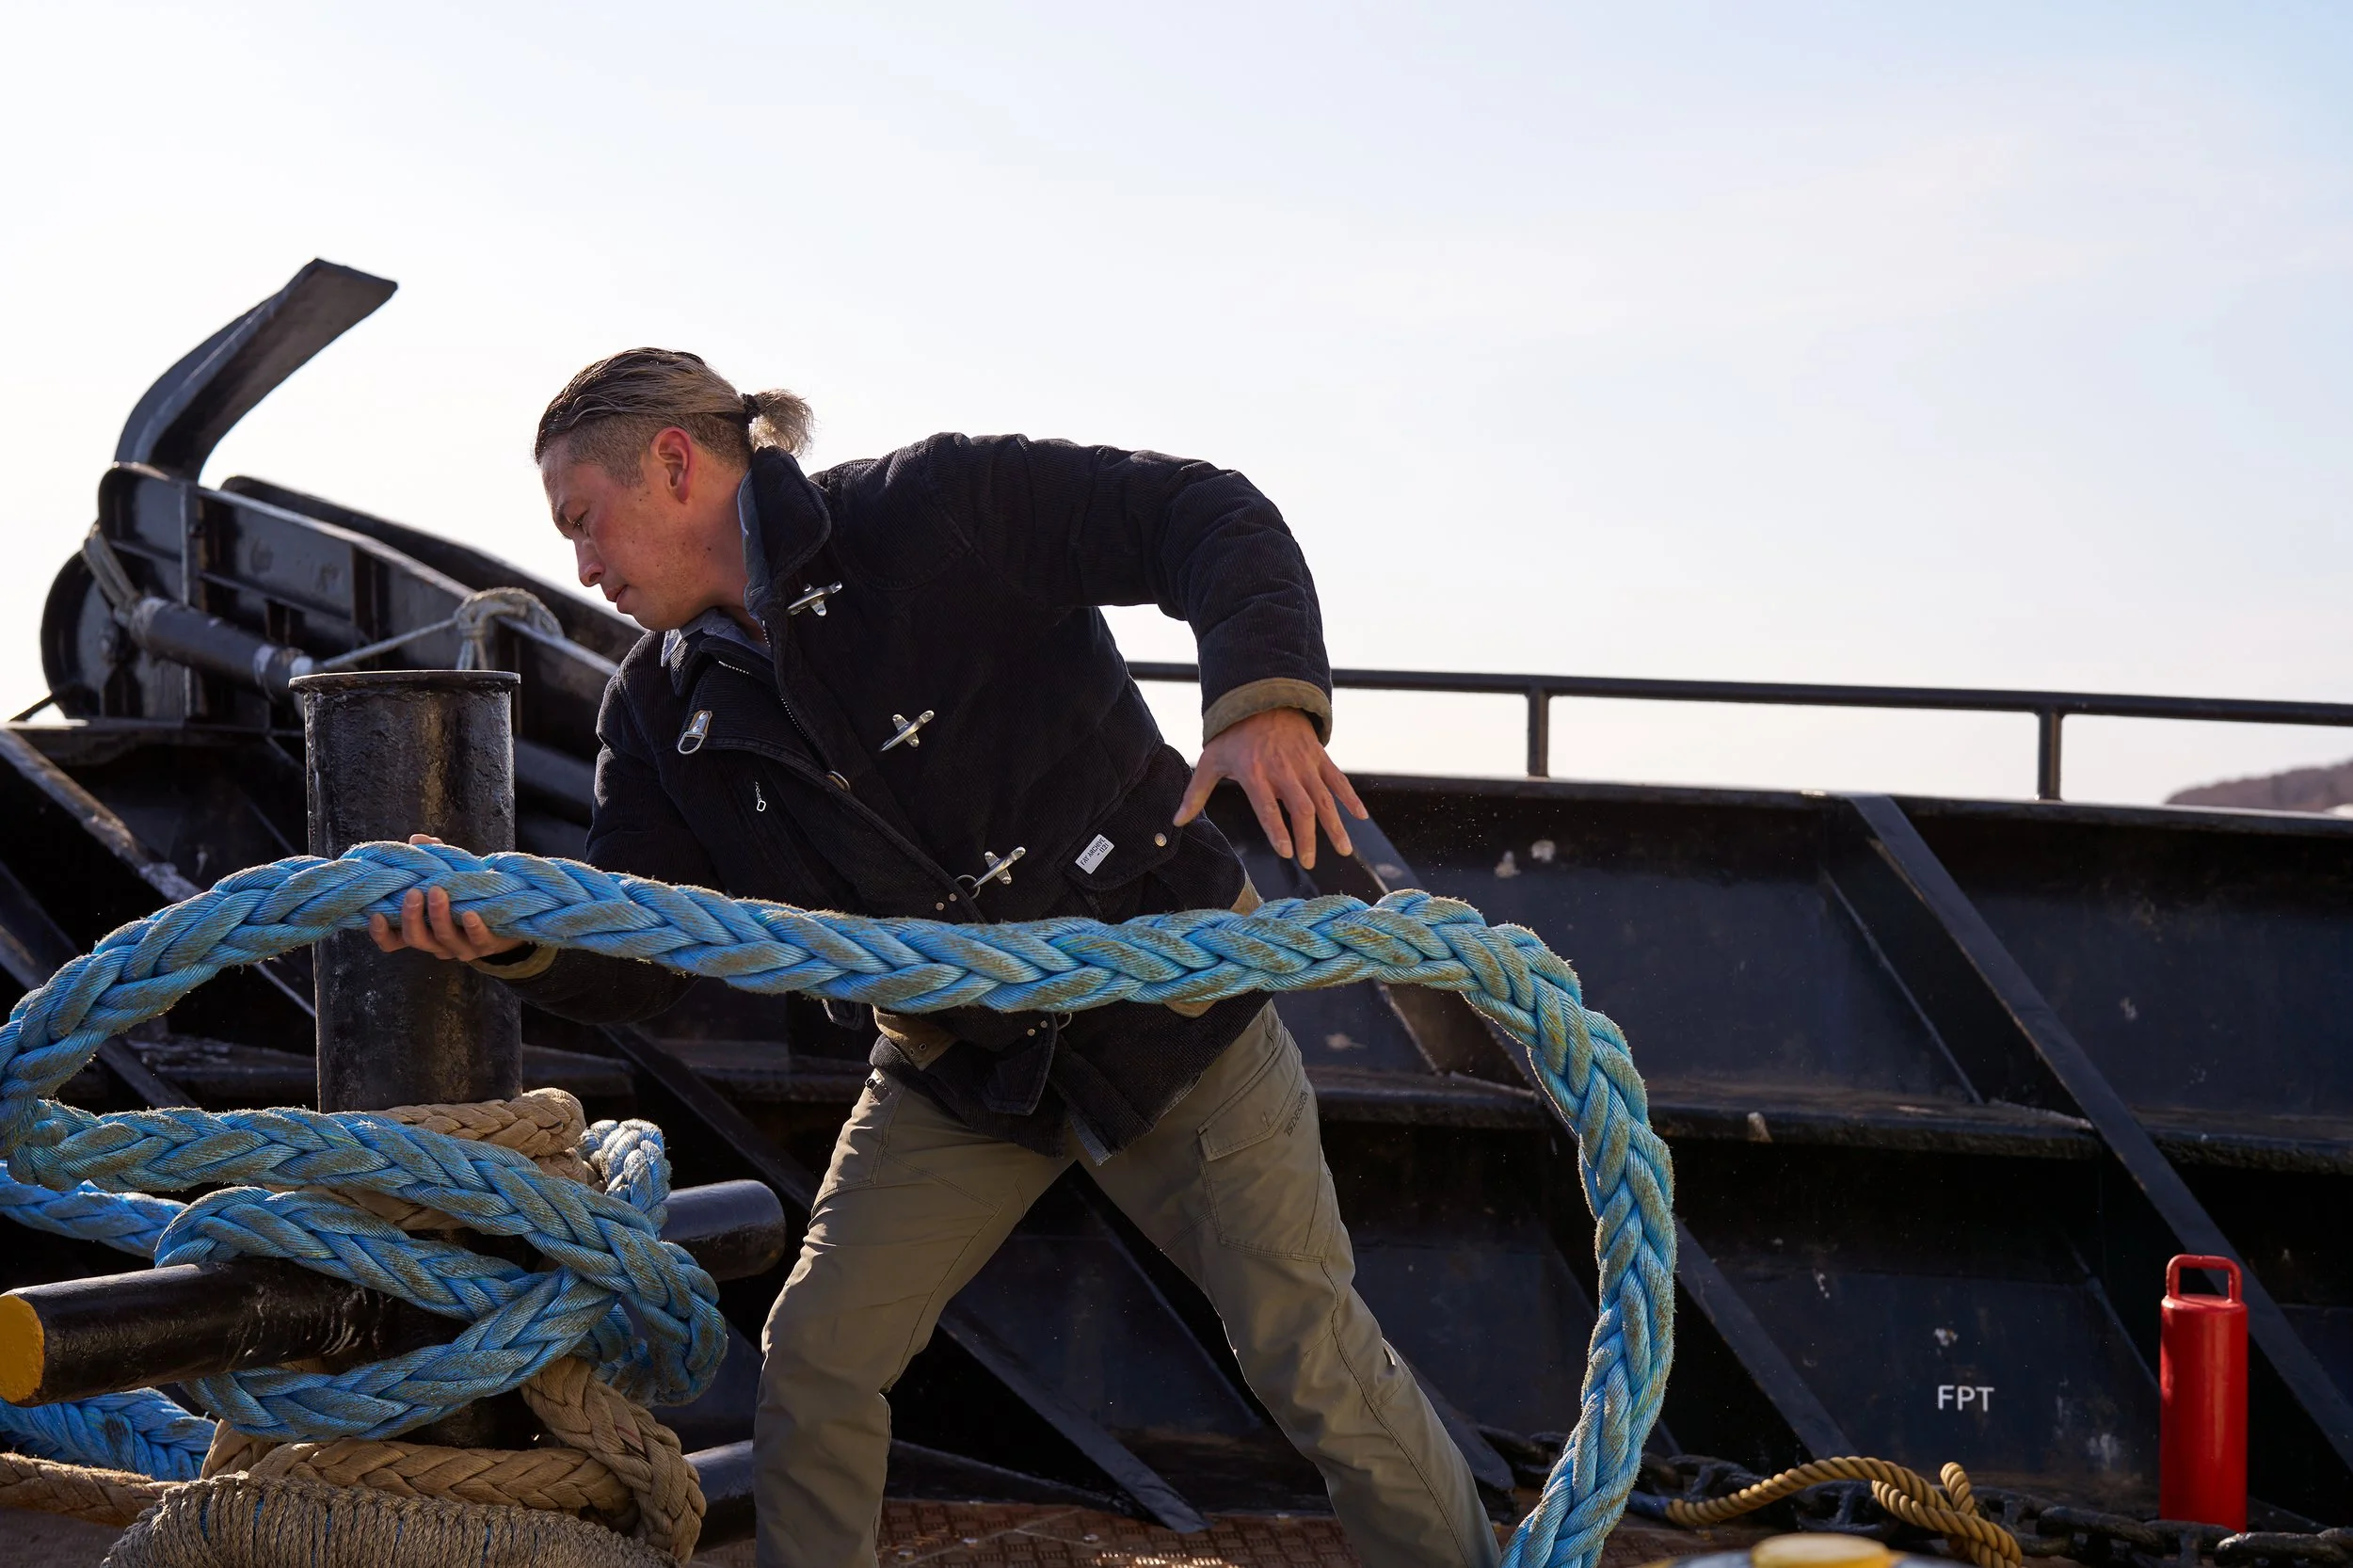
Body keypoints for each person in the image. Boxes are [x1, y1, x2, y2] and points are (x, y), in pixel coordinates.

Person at [369, 349, 1497, 1568]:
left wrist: (1264, 702)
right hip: (959, 1067)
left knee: (1310, 1358)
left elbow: (1201, 512)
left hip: (1175, 1013)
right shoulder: (654, 713)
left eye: (582, 521)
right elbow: (652, 950)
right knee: (818, 1358)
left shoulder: (936, 508)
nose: (582, 566)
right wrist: (516, 933)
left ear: (675, 463)